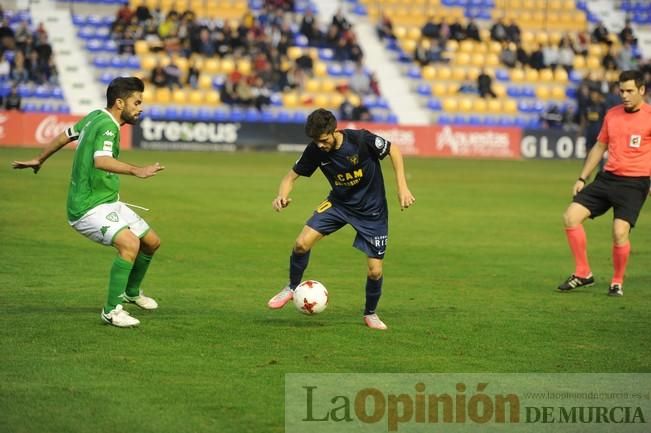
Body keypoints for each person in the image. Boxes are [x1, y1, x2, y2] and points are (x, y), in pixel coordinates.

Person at [12, 77, 165, 327]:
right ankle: (111, 311)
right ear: (119, 103)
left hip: (108, 200)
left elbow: (65, 135)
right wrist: (137, 170)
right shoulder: (109, 127)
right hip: (87, 207)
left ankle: (131, 292)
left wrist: (40, 159)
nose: (140, 108)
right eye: (136, 102)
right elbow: (101, 160)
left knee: (151, 242)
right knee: (129, 245)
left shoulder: (95, 115)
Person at [267, 108, 415, 329]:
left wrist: (402, 188)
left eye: (323, 140)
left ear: (334, 131)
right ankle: (291, 287)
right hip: (339, 204)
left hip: (371, 211)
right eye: (315, 141)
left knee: (375, 271)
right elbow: (290, 177)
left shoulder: (361, 140)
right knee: (301, 244)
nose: (320, 145)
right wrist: (282, 196)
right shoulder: (315, 150)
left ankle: (370, 313)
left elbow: (394, 150)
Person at [558, 70, 651, 297]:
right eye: (621, 91)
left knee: (619, 233)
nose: (625, 95)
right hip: (607, 178)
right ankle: (583, 273)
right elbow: (600, 147)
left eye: (630, 91)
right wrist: (582, 178)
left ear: (642, 90)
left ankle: (617, 281)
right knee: (571, 217)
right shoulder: (612, 114)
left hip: (635, 182)